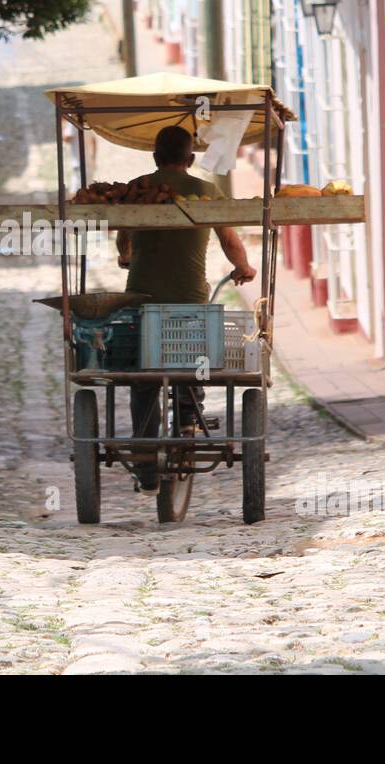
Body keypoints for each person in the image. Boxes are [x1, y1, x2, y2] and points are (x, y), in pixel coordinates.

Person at [114, 125, 257, 493]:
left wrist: (125, 255)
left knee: (143, 378)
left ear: (154, 157)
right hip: (189, 300)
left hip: (141, 300)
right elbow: (229, 240)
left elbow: (123, 235)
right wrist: (242, 267)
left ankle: (145, 462)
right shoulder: (206, 191)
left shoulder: (138, 187)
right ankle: (188, 416)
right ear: (190, 159)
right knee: (194, 361)